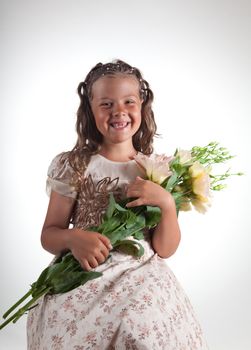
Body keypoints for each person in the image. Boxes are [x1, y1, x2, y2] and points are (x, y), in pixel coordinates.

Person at [27, 59, 209, 349]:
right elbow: (49, 234)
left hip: (140, 276)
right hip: (84, 270)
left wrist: (166, 203)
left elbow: (166, 248)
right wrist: (73, 238)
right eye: (106, 104)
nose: (119, 111)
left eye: (128, 101)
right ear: (90, 109)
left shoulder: (154, 169)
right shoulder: (73, 165)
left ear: (142, 106)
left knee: (139, 325)